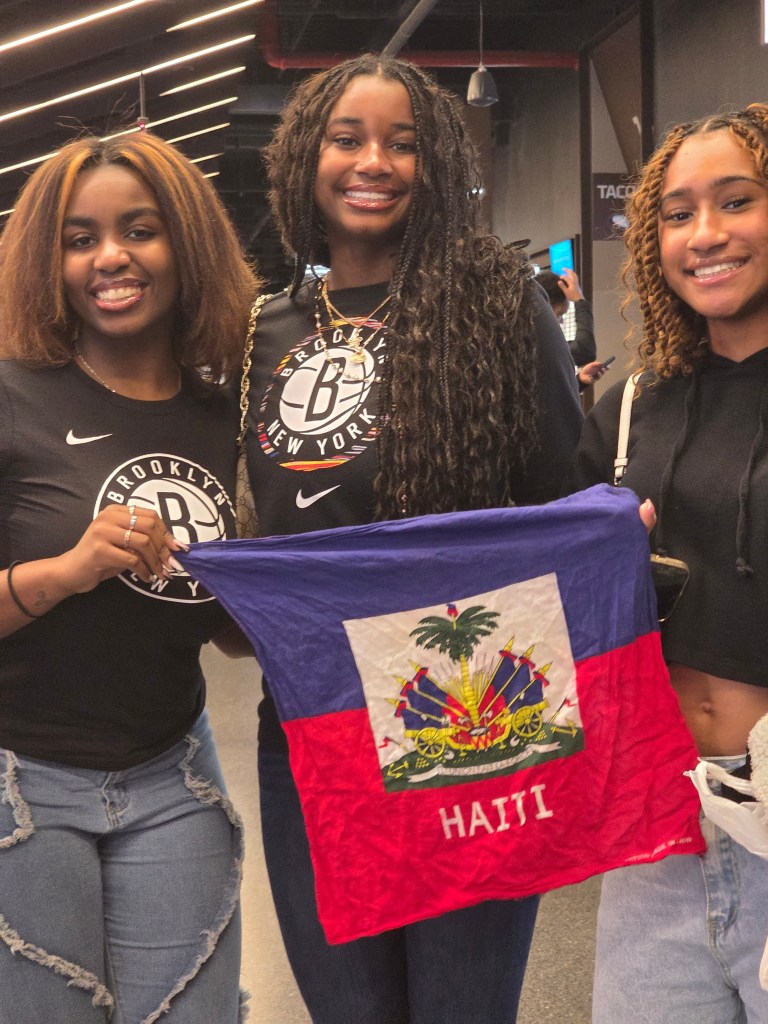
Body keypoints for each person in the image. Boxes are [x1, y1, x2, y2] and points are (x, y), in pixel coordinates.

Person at [241, 54, 583, 1024]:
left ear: (434, 163)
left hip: (468, 723)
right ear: (308, 157)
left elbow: (565, 504)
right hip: (312, 729)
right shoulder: (266, 331)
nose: (374, 160)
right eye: (348, 137)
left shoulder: (497, 305)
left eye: (401, 141)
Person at [0, 131, 259, 1022]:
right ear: (50, 259)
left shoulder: (226, 416)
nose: (111, 257)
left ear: (185, 246)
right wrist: (68, 571)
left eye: (140, 230)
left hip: (173, 772)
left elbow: (227, 632)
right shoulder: (10, 394)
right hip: (23, 782)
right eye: (80, 239)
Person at [567, 103, 768, 1022]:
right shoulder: (632, 403)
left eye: (738, 201)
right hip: (660, 817)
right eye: (679, 214)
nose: (707, 235)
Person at [537, 266, 609, 389]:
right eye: (559, 314)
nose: (560, 321)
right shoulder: (530, 344)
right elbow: (584, 350)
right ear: (545, 309)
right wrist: (579, 300)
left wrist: (579, 381)